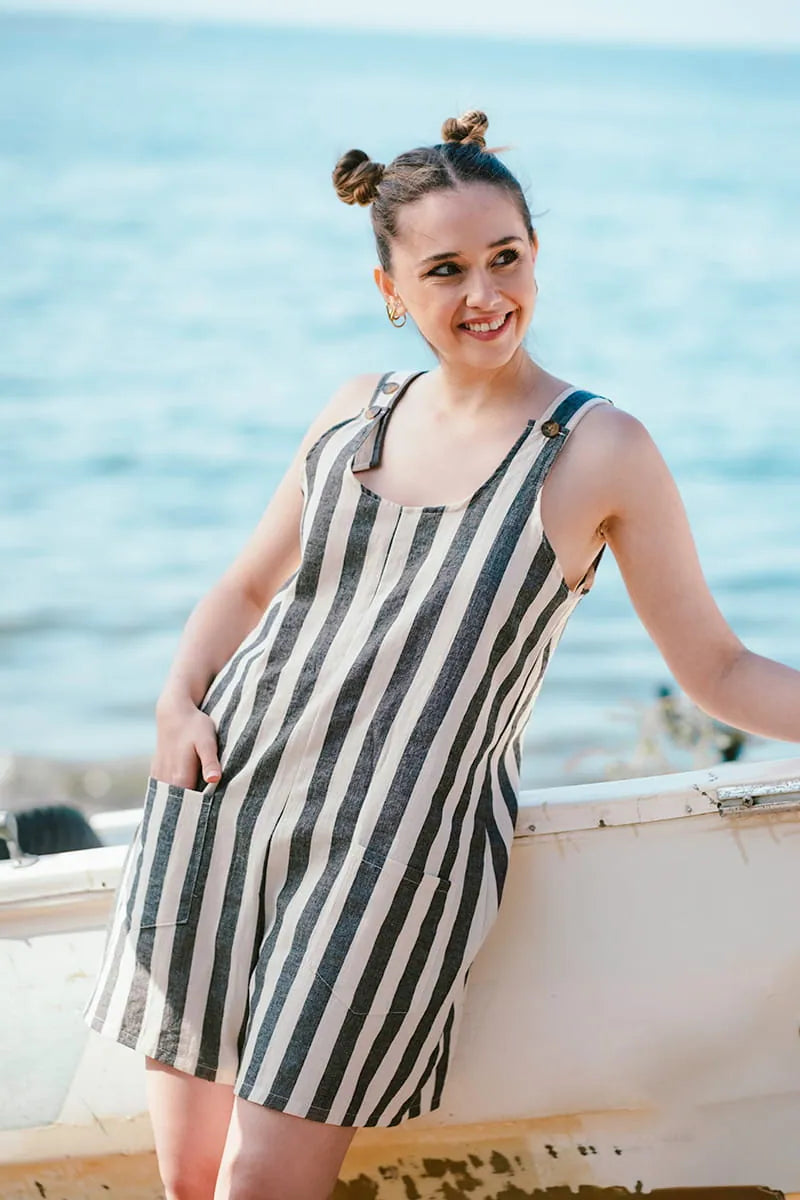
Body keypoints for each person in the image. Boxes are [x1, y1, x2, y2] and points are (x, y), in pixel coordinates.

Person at [82, 109, 800, 1200]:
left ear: (535, 257)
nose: (484, 294)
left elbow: (715, 670)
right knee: (187, 1184)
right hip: (223, 802)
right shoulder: (351, 411)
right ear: (389, 292)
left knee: (261, 1185)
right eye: (446, 269)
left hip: (393, 857)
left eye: (505, 258)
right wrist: (176, 704)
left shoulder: (599, 448)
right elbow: (241, 589)